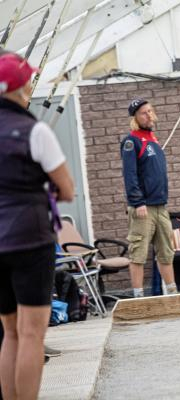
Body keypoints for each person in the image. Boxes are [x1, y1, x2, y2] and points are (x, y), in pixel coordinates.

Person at [0, 52, 75, 400]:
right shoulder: (35, 130)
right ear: (20, 87)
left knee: (10, 332)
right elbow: (67, 189)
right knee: (32, 334)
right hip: (29, 239)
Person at [121, 98, 178, 297]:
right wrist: (137, 202)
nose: (149, 115)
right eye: (144, 112)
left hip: (161, 207)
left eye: (150, 111)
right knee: (138, 253)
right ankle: (138, 296)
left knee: (166, 252)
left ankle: (172, 293)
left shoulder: (152, 139)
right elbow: (130, 175)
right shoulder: (131, 141)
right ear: (135, 117)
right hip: (143, 208)